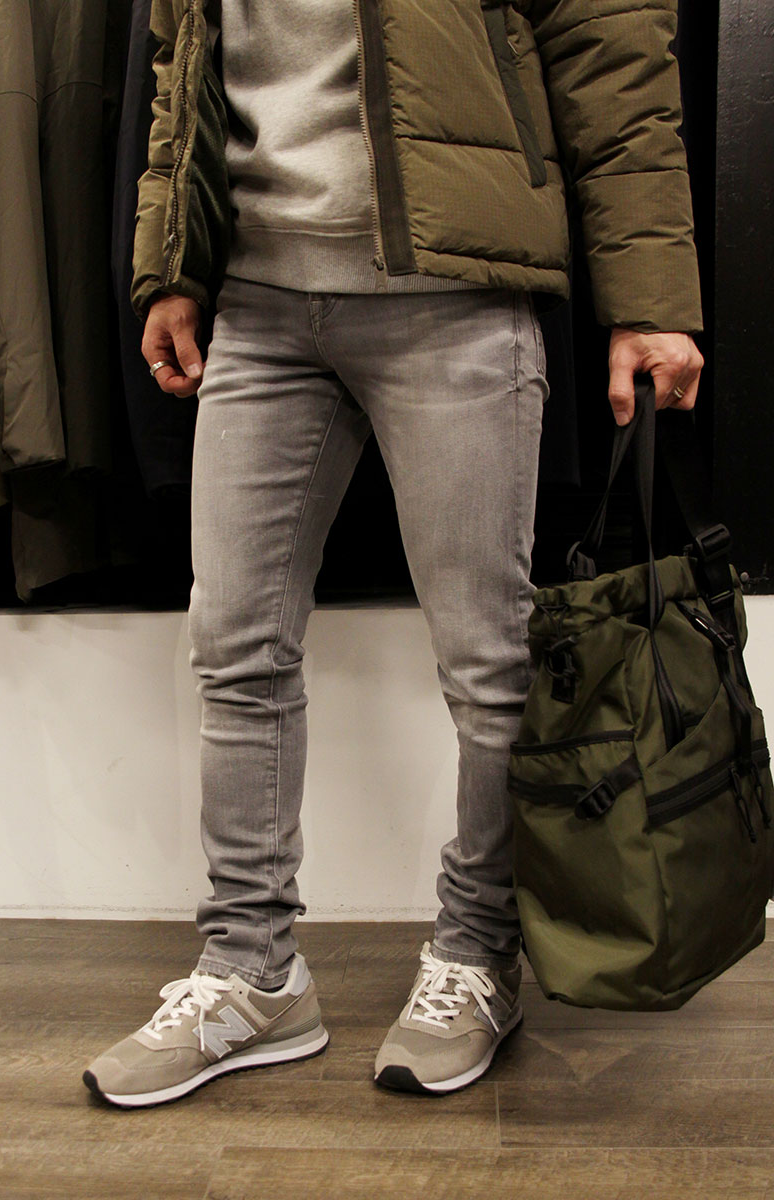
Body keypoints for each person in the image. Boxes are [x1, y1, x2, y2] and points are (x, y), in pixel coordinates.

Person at [83, 0, 704, 1107]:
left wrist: (650, 299)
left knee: (489, 664)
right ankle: (251, 971)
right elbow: (184, 66)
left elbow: (609, 51)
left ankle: (477, 954)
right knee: (234, 649)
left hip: (454, 294)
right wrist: (171, 266)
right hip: (258, 299)